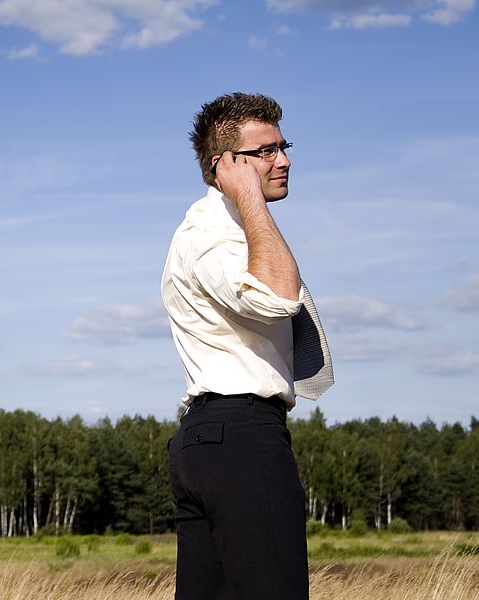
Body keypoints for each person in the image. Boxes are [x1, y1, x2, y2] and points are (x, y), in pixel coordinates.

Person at [161, 92, 326, 599]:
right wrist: (249, 197)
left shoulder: (224, 231)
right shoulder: (215, 236)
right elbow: (278, 297)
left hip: (216, 437)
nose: (285, 160)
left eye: (284, 145)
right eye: (266, 151)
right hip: (241, 436)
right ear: (225, 164)